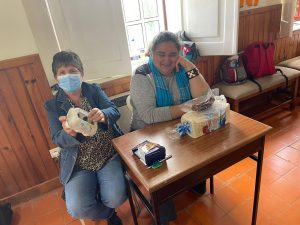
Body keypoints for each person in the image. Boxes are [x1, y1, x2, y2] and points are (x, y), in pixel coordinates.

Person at [130, 31, 213, 224]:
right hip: (145, 134)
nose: (167, 60)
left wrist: (191, 67)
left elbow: (206, 98)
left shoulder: (183, 69)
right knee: (160, 178)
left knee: (205, 156)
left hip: (179, 128)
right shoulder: (142, 74)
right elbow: (149, 116)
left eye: (173, 54)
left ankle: (190, 182)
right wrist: (184, 108)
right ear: (151, 53)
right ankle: (161, 210)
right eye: (161, 54)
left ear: (179, 54)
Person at [44, 51, 126, 225]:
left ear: (81, 73)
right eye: (62, 73)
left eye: (73, 71)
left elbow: (114, 110)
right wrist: (68, 133)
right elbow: (56, 138)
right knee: (76, 208)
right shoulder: (52, 106)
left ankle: (110, 207)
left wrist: (103, 114)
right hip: (79, 164)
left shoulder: (93, 90)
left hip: (107, 155)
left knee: (116, 197)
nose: (68, 76)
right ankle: (109, 214)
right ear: (56, 78)